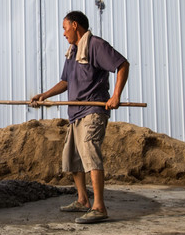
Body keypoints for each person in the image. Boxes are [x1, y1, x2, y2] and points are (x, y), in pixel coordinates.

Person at [31, 11, 129, 224]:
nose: (63, 33)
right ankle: (83, 200)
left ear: (75, 25)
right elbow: (65, 82)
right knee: (73, 156)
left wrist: (116, 95)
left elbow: (122, 65)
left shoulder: (95, 45)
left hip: (93, 111)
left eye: (65, 28)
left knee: (89, 151)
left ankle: (99, 207)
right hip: (75, 113)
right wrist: (44, 95)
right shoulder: (73, 51)